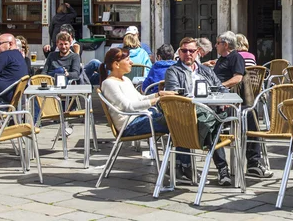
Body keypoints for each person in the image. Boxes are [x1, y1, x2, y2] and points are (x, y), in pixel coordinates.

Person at [164, 37, 233, 185]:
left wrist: (225, 97)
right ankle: (222, 169)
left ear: (198, 52)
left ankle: (186, 167)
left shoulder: (206, 70)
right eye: (184, 51)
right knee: (213, 125)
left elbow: (220, 87)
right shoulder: (173, 71)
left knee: (212, 121)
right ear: (179, 52)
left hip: (208, 110)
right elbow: (174, 93)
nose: (188, 54)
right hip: (186, 115)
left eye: (191, 51)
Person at [213, 31, 272, 178]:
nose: (215, 46)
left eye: (218, 43)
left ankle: (253, 163)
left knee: (250, 118)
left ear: (225, 45)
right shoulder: (221, 59)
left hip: (231, 104)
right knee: (211, 124)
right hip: (217, 102)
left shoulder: (236, 57)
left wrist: (219, 86)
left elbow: (238, 78)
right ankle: (223, 169)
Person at [100, 48, 176, 137]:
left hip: (141, 117)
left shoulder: (125, 79)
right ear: (116, 64)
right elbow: (128, 107)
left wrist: (159, 94)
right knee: (174, 122)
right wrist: (158, 100)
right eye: (128, 59)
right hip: (130, 125)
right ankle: (181, 148)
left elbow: (140, 98)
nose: (131, 62)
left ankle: (180, 148)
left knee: (175, 116)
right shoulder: (109, 83)